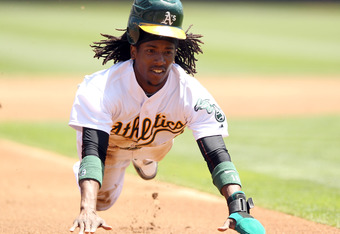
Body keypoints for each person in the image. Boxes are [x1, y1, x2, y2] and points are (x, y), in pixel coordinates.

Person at [69, 0, 265, 233]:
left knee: (152, 144)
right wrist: (87, 209)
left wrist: (238, 205)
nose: (160, 61)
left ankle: (145, 157)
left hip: (156, 143)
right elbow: (93, 151)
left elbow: (216, 153)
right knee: (103, 202)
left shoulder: (189, 92)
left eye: (167, 52)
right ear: (134, 50)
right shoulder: (100, 89)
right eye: (151, 50)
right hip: (111, 146)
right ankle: (132, 160)